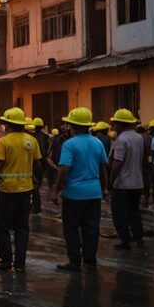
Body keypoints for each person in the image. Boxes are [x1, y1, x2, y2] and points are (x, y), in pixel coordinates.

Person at [52, 107, 108, 271]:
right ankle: (90, 261)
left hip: (74, 195)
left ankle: (74, 261)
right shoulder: (97, 142)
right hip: (94, 193)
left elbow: (63, 169)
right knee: (91, 228)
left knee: (71, 229)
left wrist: (56, 190)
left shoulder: (69, 144)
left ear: (72, 126)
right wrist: (104, 188)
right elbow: (103, 168)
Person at [0, 107, 42, 272]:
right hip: (26, 190)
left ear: (7, 124)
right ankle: (20, 264)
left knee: (1, 225)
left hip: (7, 190)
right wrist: (37, 181)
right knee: (21, 226)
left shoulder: (4, 141)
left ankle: (6, 261)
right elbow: (38, 163)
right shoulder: (31, 140)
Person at [108, 109, 145, 249]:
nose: (114, 126)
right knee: (134, 211)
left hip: (123, 184)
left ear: (120, 124)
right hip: (137, 182)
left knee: (119, 213)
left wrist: (111, 181)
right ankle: (138, 237)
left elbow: (117, 163)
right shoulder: (139, 137)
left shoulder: (121, 139)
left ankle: (125, 239)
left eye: (115, 123)